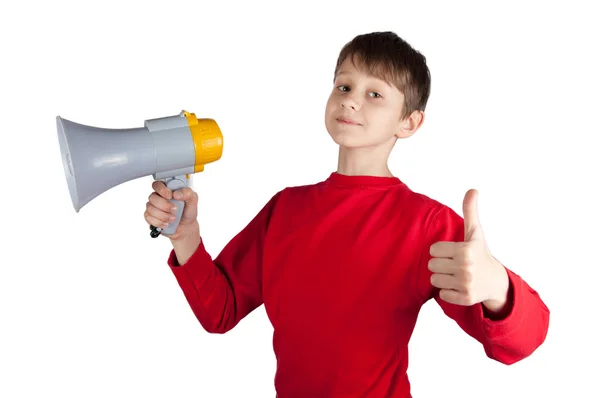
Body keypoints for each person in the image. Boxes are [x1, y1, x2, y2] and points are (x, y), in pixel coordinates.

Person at [143, 31, 550, 397]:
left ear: (409, 122)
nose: (351, 98)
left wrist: (499, 286)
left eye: (375, 94)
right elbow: (220, 311)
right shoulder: (285, 209)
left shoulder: (426, 225)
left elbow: (521, 343)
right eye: (344, 85)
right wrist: (186, 237)